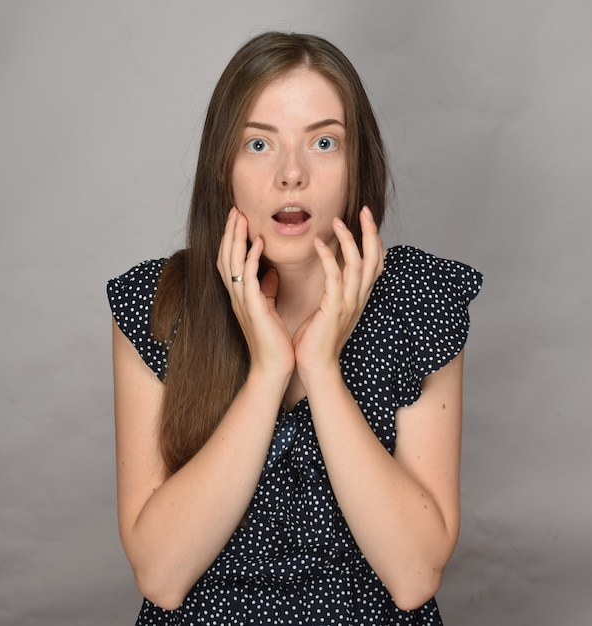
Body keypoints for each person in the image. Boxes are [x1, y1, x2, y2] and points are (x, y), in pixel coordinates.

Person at [107, 31, 482, 626]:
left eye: (324, 142)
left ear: (359, 165)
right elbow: (160, 576)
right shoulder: (160, 305)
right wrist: (268, 372)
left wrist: (321, 369)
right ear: (221, 167)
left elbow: (413, 577)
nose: (291, 175)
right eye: (259, 144)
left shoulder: (419, 301)